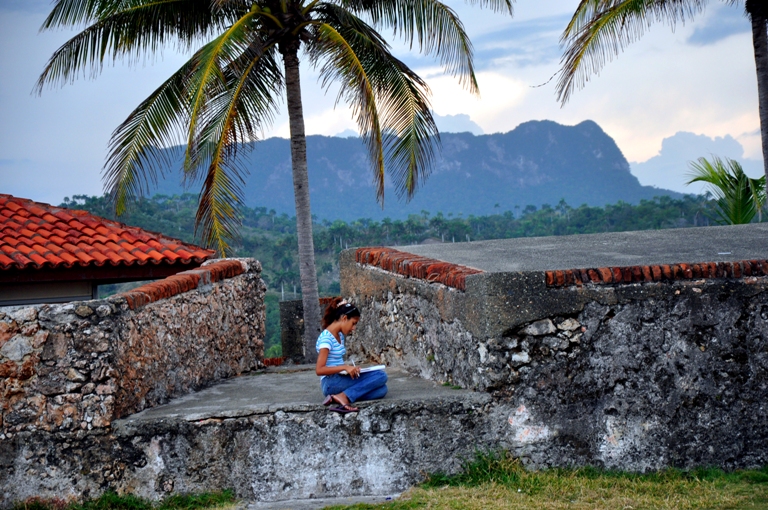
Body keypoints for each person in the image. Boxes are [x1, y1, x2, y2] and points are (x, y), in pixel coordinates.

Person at [316, 298, 387, 413]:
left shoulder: (339, 335)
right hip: (330, 383)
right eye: (353, 323)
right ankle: (343, 396)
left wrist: (350, 369)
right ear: (344, 318)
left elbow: (335, 362)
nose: (354, 328)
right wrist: (345, 367)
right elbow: (319, 370)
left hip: (339, 377)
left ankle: (342, 396)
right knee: (381, 376)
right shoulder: (326, 339)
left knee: (382, 390)